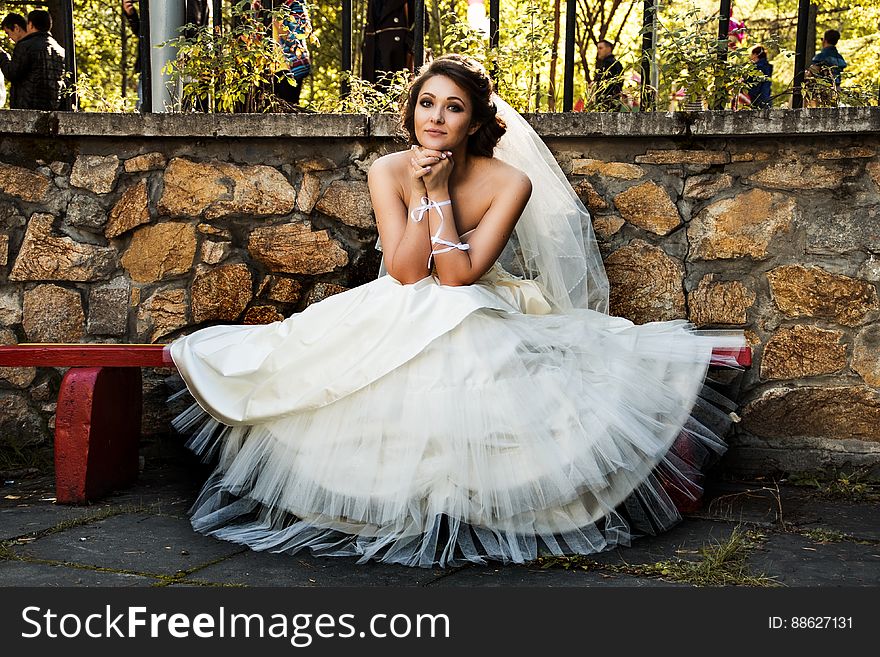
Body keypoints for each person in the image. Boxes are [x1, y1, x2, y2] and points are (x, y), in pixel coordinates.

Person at [170, 54, 744, 567]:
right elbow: (404, 270)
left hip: (472, 294)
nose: (436, 118)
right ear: (412, 112)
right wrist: (420, 193)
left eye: (453, 107)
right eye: (426, 104)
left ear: (474, 121)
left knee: (464, 328)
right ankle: (388, 501)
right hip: (399, 295)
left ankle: (479, 503)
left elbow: (459, 275)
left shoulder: (509, 181)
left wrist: (439, 192)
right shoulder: (388, 170)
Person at [0, 10, 65, 110]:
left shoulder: (25, 46)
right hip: (53, 109)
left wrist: (2, 55)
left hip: (27, 109)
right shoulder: (60, 50)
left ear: (30, 25)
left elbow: (12, 73)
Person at [254, 0, 312, 107]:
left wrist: (278, 22)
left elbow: (297, 39)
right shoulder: (262, 6)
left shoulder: (295, 6)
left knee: (288, 109)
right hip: (266, 68)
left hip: (289, 68)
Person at [361, 0, 421, 92]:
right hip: (373, 52)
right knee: (372, 94)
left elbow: (423, 21)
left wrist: (408, 42)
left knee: (396, 93)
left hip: (397, 55)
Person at [806, 29, 847, 106]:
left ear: (825, 40)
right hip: (836, 90)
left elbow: (812, 73)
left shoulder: (820, 57)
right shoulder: (839, 58)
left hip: (821, 92)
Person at [594, 39, 623, 111]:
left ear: (608, 49)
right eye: (598, 48)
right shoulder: (610, 63)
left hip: (607, 102)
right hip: (609, 102)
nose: (598, 51)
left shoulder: (611, 64)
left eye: (601, 48)